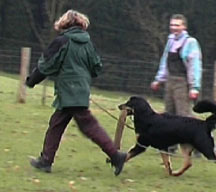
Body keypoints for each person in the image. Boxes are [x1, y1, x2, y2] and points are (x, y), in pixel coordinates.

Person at [25, 10, 126, 175]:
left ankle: (116, 156)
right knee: (57, 125)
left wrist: (32, 80)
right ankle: (45, 161)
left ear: (64, 24)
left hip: (68, 92)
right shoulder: (88, 43)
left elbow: (47, 64)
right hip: (79, 90)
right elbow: (96, 66)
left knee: (88, 126)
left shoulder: (62, 41)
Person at [150, 14, 202, 156]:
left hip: (182, 82)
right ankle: (170, 146)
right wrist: (159, 79)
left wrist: (194, 87)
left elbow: (194, 66)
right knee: (169, 115)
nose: (174, 28)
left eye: (177, 25)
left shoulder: (190, 43)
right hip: (170, 81)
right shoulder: (170, 41)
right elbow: (165, 62)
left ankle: (198, 145)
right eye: (172, 25)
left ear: (184, 27)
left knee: (184, 117)